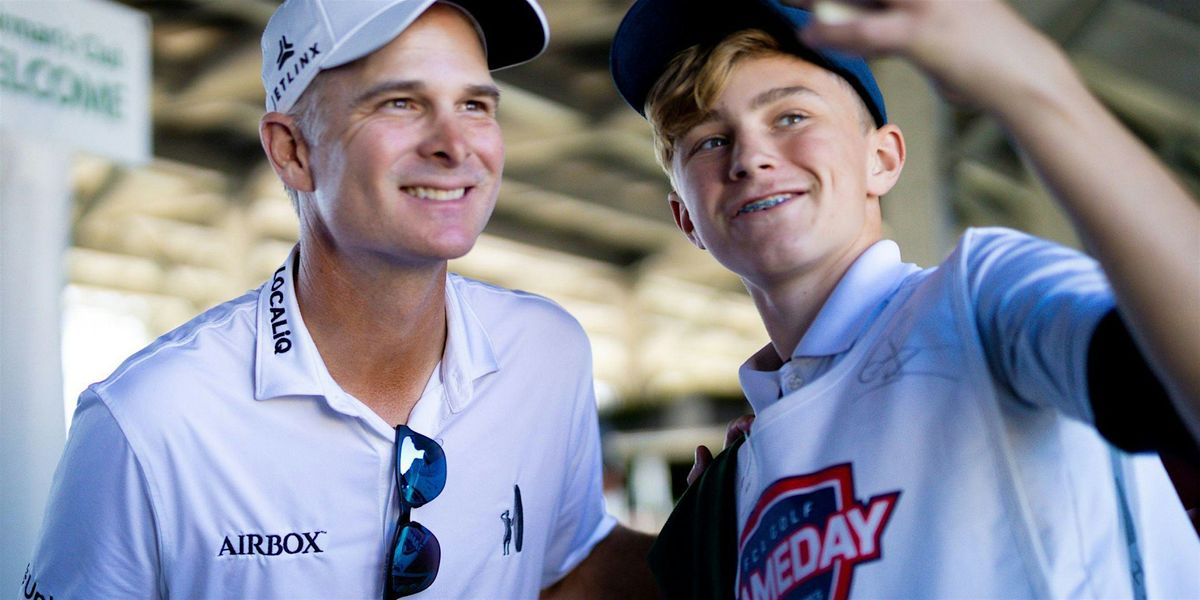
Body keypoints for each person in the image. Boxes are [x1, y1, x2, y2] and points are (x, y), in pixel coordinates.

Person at [21, 1, 656, 598]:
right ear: (292, 150)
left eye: (474, 105)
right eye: (401, 102)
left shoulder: (546, 353)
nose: (455, 144)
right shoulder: (148, 421)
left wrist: (711, 534)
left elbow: (567, 567)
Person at [608, 0, 1200, 597]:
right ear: (686, 218)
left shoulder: (982, 297)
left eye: (790, 117)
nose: (750, 158)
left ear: (883, 159)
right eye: (710, 141)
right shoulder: (733, 488)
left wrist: (1028, 80)